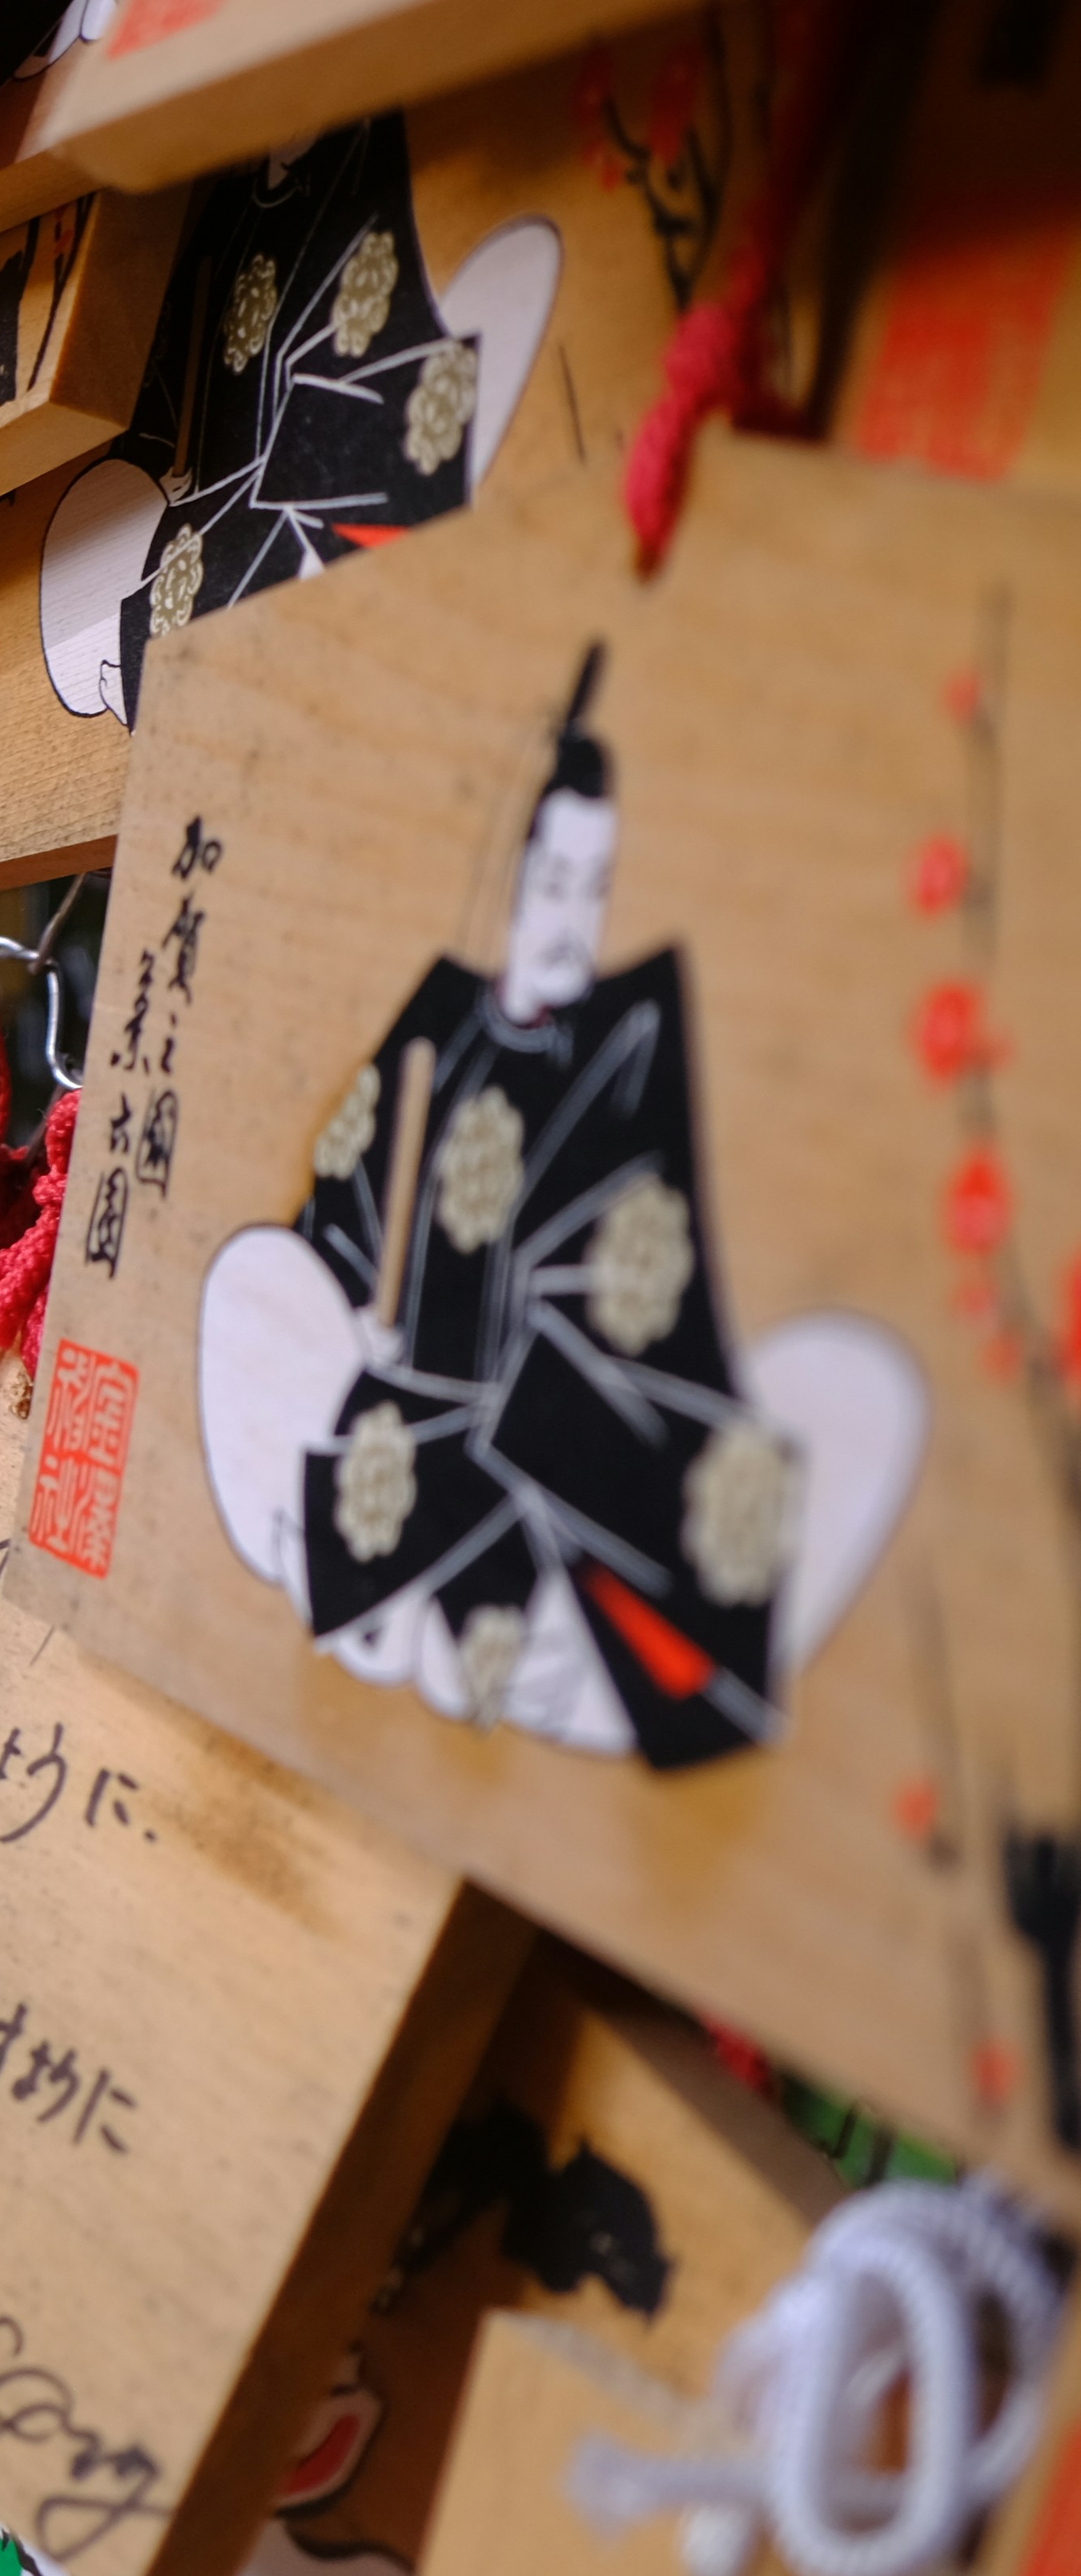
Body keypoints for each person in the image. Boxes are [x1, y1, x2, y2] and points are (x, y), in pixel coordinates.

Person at [199, 650, 917, 1766]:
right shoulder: (443, 1021)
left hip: (557, 1442)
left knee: (757, 1436)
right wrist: (358, 1298)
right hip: (418, 1417)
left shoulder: (630, 1041)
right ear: (514, 876)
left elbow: (659, 1274)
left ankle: (533, 1624)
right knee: (260, 1294)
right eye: (555, 884)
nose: (573, 920)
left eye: (597, 887)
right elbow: (340, 1206)